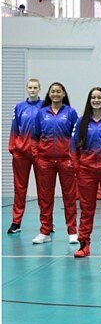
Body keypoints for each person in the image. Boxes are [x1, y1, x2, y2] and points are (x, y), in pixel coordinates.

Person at [31, 82, 78, 244]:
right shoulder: (41, 113)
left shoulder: (71, 113)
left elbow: (77, 137)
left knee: (69, 197)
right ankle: (45, 231)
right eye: (53, 92)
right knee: (45, 197)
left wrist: (73, 157)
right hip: (45, 161)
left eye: (59, 91)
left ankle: (72, 231)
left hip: (66, 161)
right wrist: (37, 157)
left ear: (64, 94)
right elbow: (34, 137)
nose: (56, 94)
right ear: (49, 94)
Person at [70, 87, 101, 257]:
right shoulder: (81, 122)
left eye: (99, 97)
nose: (96, 100)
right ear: (89, 100)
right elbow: (73, 146)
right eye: (93, 97)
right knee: (87, 209)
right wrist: (77, 167)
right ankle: (84, 244)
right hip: (86, 171)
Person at [8, 78, 42, 234]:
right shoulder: (19, 107)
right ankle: (16, 222)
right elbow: (14, 128)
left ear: (39, 89)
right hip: (21, 153)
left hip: (40, 154)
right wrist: (13, 148)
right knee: (20, 189)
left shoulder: (45, 107)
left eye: (35, 87)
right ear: (27, 89)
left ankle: (47, 223)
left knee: (44, 189)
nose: (33, 90)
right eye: (30, 87)